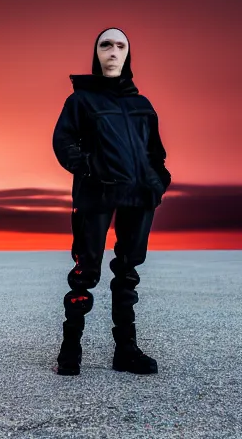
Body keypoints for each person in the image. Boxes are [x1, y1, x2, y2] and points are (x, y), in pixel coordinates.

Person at [52, 27, 171, 376]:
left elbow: (156, 152)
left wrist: (158, 179)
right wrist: (89, 168)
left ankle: (126, 351)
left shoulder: (142, 105)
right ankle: (70, 347)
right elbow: (63, 142)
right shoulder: (81, 101)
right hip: (97, 192)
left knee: (128, 271)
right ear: (97, 53)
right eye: (106, 45)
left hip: (139, 194)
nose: (113, 51)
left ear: (128, 53)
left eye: (121, 45)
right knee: (86, 270)